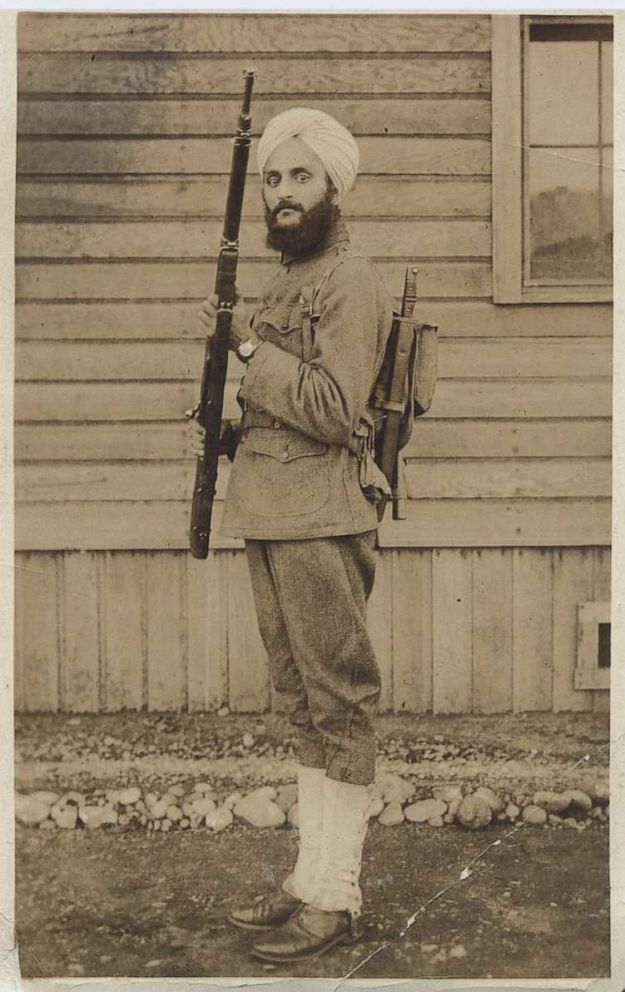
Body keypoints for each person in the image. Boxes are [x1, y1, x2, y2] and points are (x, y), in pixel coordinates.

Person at [190, 107, 393, 963]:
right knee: (300, 704)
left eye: (298, 176)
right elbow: (273, 405)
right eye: (272, 178)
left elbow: (330, 408)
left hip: (321, 512)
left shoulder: (351, 280)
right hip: (269, 509)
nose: (280, 193)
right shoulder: (284, 280)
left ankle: (338, 897)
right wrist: (223, 421)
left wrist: (242, 353)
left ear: (333, 186)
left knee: (337, 700)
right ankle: (309, 882)